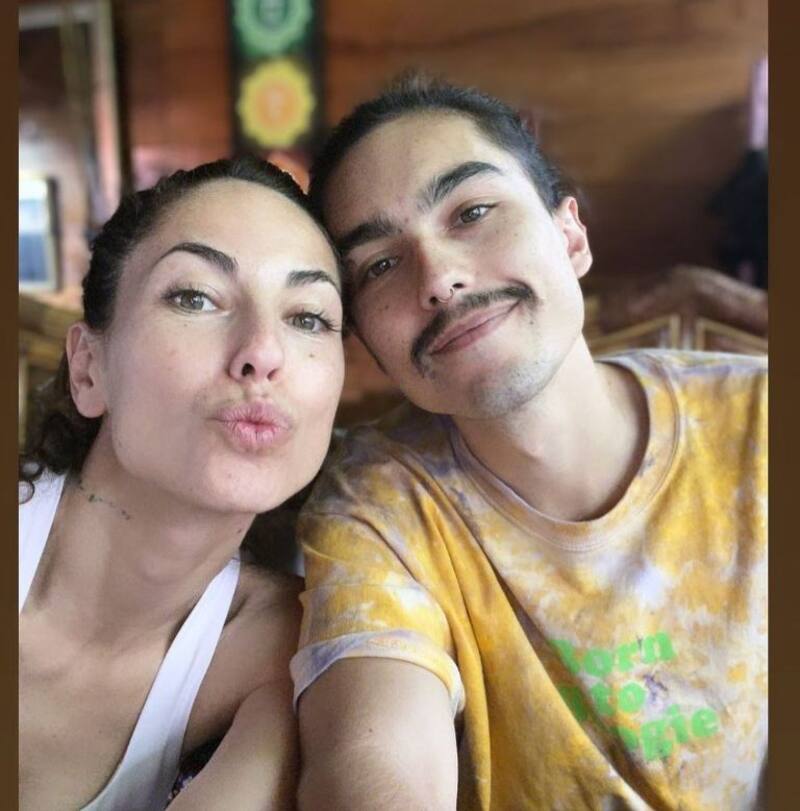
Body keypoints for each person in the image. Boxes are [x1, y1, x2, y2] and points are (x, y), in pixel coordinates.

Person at [290, 75, 767, 810]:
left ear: (570, 236)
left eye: (472, 212)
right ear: (366, 340)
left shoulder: (761, 420)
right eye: (380, 264)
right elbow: (372, 750)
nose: (439, 278)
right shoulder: (378, 504)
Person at [19, 155, 345, 810]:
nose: (264, 352)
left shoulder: (288, 649)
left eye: (308, 317)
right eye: (195, 297)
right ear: (88, 369)